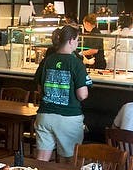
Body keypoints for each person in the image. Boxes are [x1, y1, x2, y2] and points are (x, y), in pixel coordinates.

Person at [33, 25, 92, 161]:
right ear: (71, 41)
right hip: (68, 118)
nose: (77, 43)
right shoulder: (76, 63)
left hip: (45, 116)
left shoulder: (47, 61)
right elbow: (82, 95)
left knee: (41, 159)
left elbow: (39, 89)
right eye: (77, 40)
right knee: (69, 162)